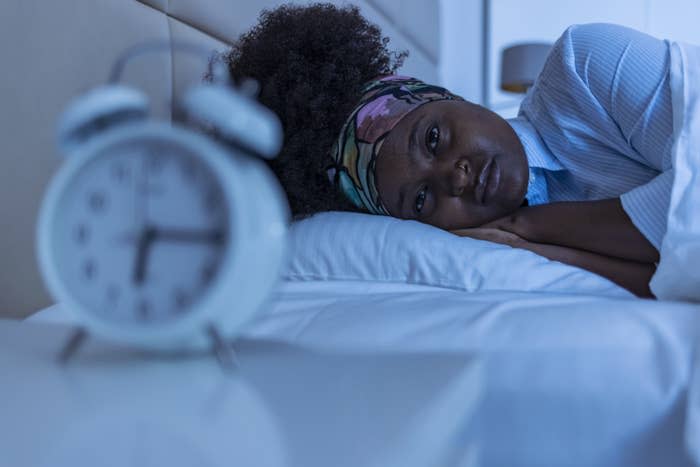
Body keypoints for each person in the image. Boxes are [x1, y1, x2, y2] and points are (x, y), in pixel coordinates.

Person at [224, 3, 676, 298]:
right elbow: (676, 286)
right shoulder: (502, 263)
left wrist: (532, 224)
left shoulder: (586, 68)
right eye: (421, 200)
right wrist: (535, 246)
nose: (456, 178)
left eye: (433, 138)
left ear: (444, 94)